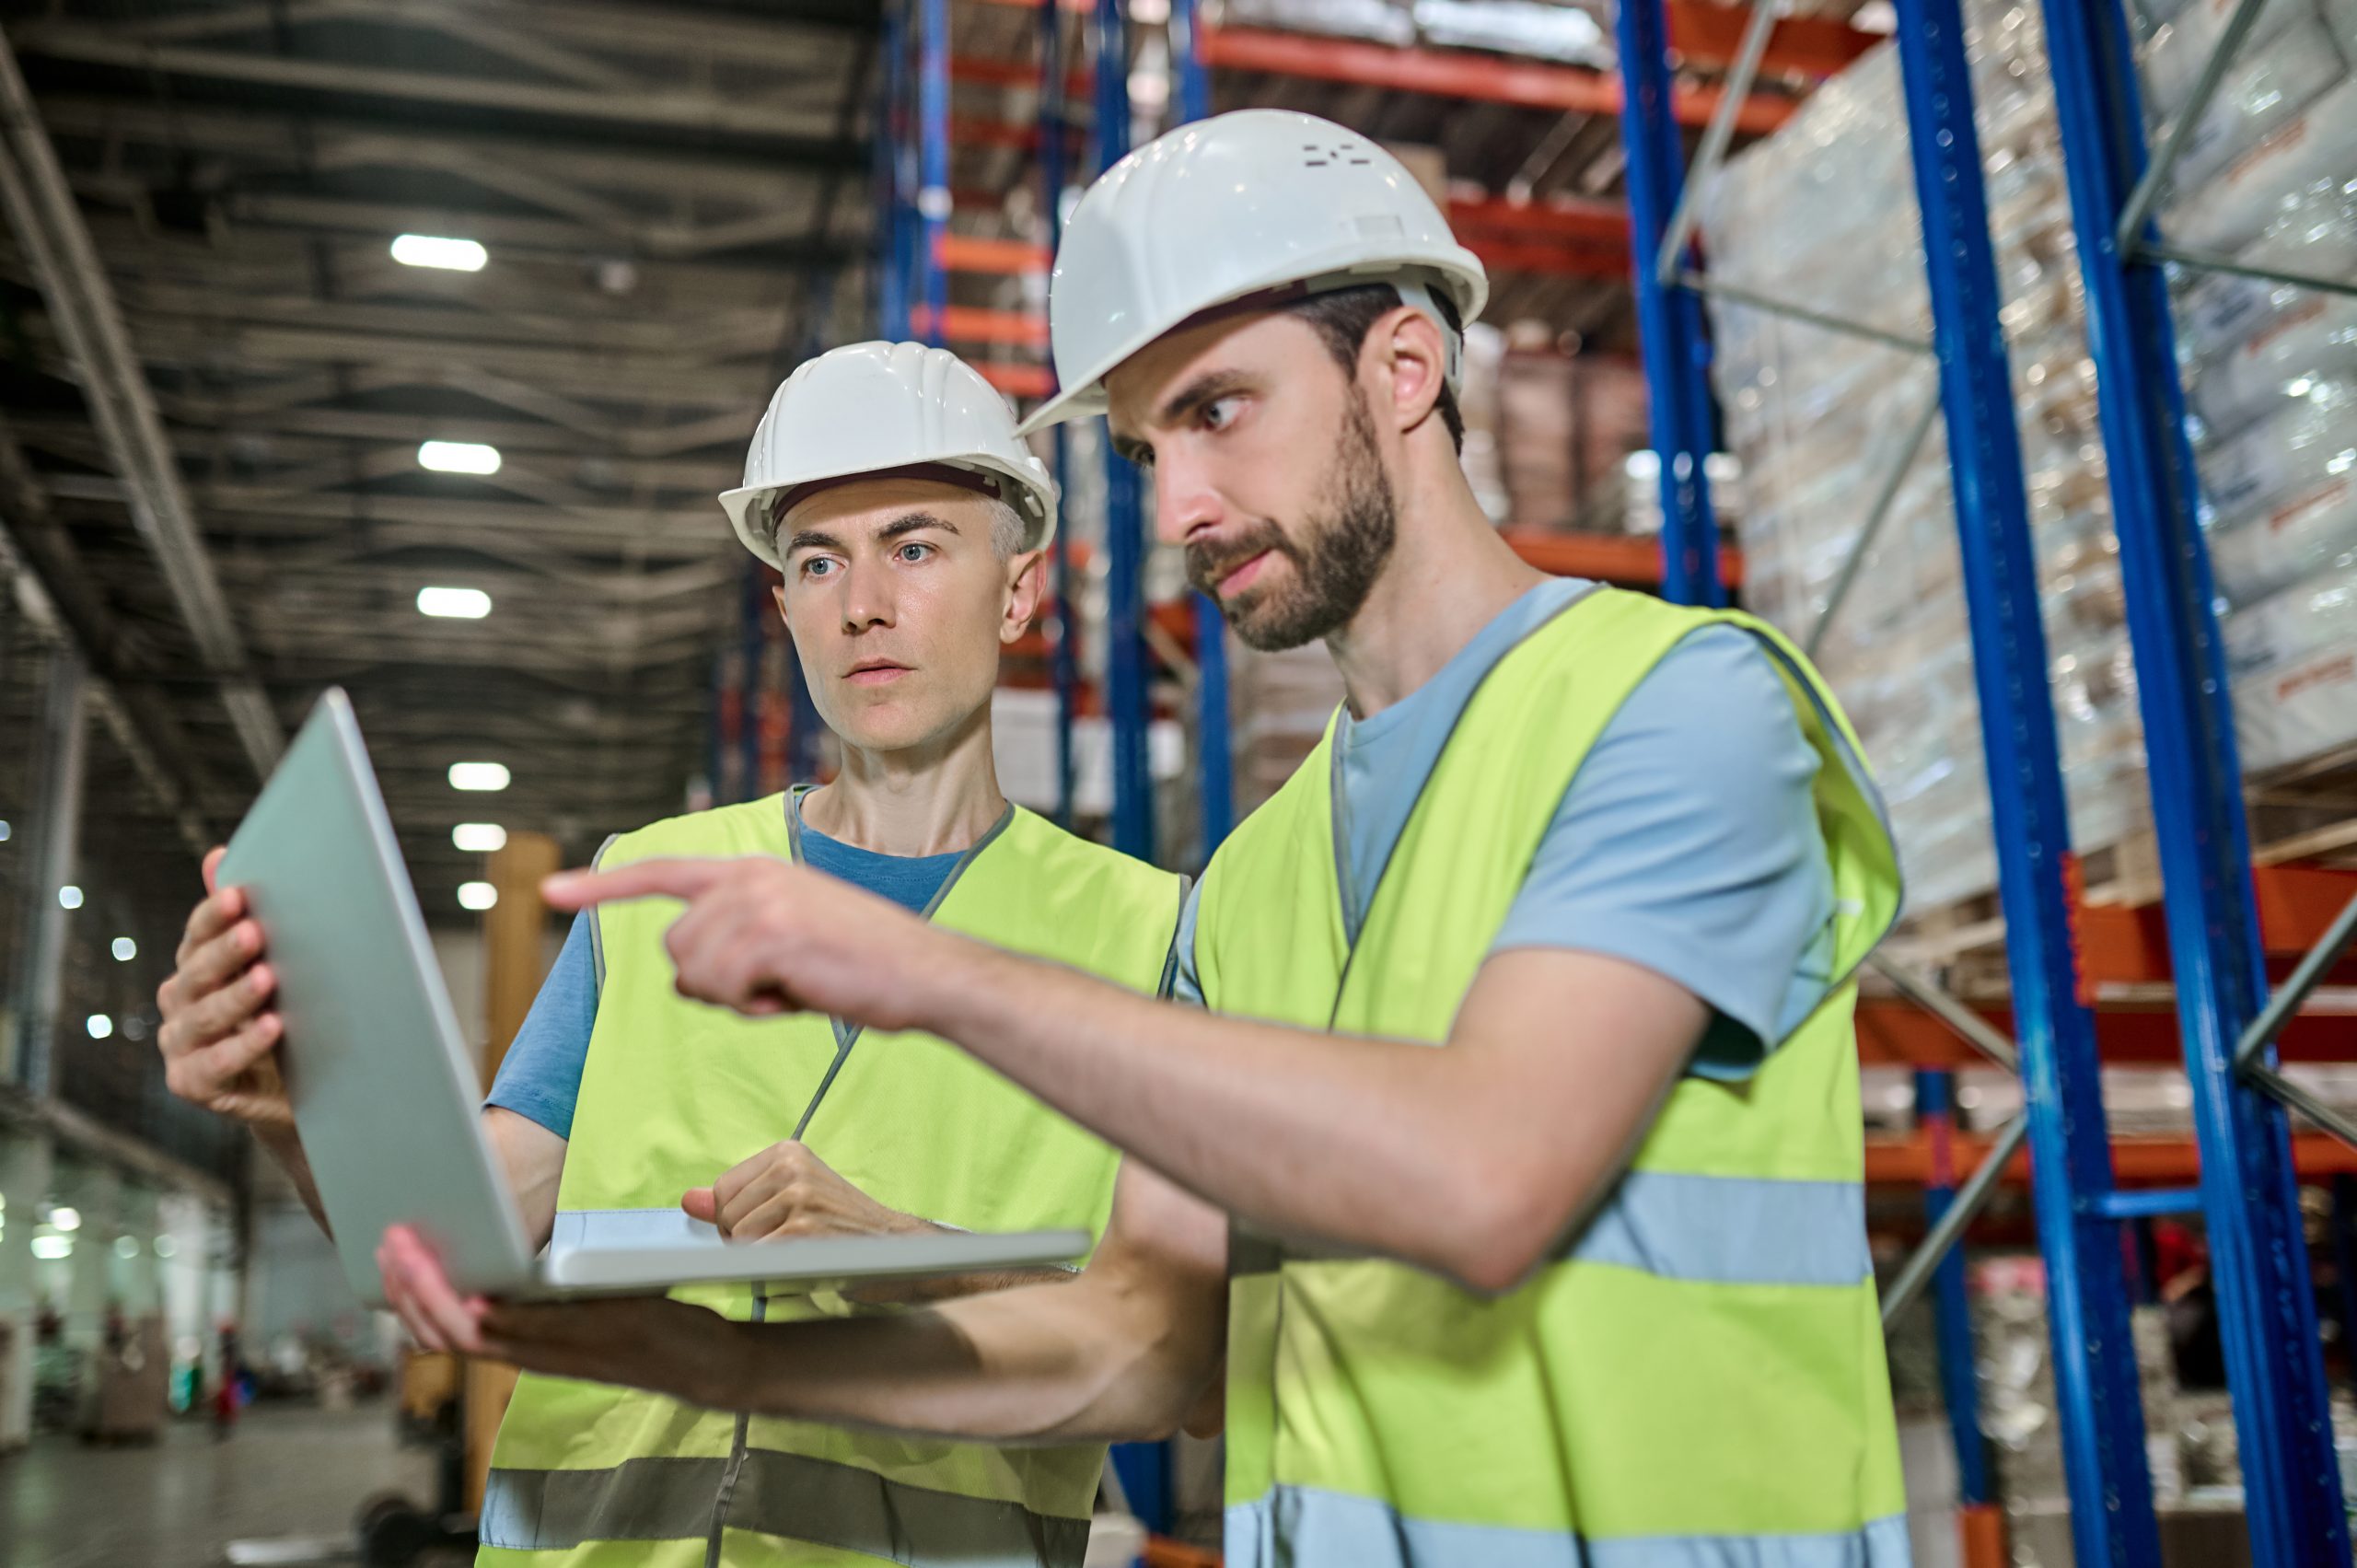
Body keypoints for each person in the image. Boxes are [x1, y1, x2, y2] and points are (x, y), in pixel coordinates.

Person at [382, 110, 1912, 1568]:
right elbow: (1146, 1343)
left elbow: (1486, 1170)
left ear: (1404, 366)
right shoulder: (1253, 887)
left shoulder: (1679, 708)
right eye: (1142, 450)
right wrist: (725, 1360)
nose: (1183, 504)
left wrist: (931, 977)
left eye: (1220, 412)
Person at [155, 342, 1201, 1566]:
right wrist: (300, 1106)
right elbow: (445, 1244)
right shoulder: (648, 887)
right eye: (819, 561)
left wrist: (907, 1263)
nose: (863, 602)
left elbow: (1174, 1365)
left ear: (1019, 593)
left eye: (915, 547)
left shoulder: (1144, 936)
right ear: (785, 607)